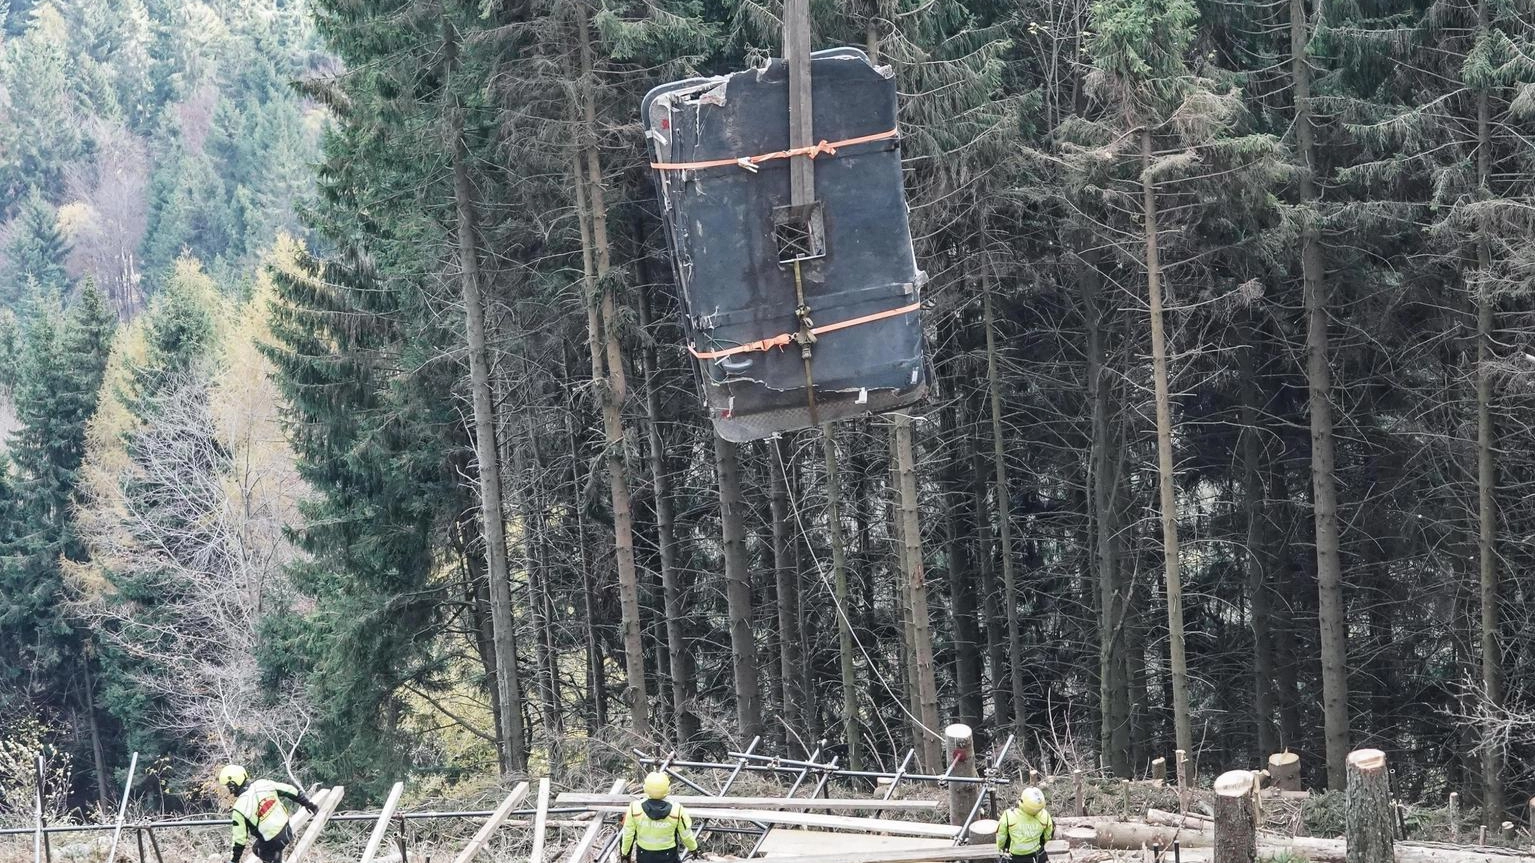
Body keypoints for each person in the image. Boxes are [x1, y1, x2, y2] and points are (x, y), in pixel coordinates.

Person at [220, 764, 319, 863]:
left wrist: (234, 860)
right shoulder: (264, 784)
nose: (229, 790)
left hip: (271, 842)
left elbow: (239, 840)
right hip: (286, 831)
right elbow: (290, 790)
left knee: (261, 851)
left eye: (228, 786)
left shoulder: (239, 808)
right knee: (258, 849)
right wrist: (308, 804)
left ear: (233, 784)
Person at [619, 772, 699, 863]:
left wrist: (625, 854)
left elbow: (628, 835)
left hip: (644, 855)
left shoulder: (635, 808)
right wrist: (693, 848)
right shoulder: (677, 809)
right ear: (668, 789)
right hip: (668, 855)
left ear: (645, 788)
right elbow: (686, 834)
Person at [997, 786, 1054, 863]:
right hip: (1037, 855)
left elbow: (1001, 838)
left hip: (1015, 857)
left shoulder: (1009, 815)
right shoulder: (1045, 816)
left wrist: (1000, 850)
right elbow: (1047, 836)